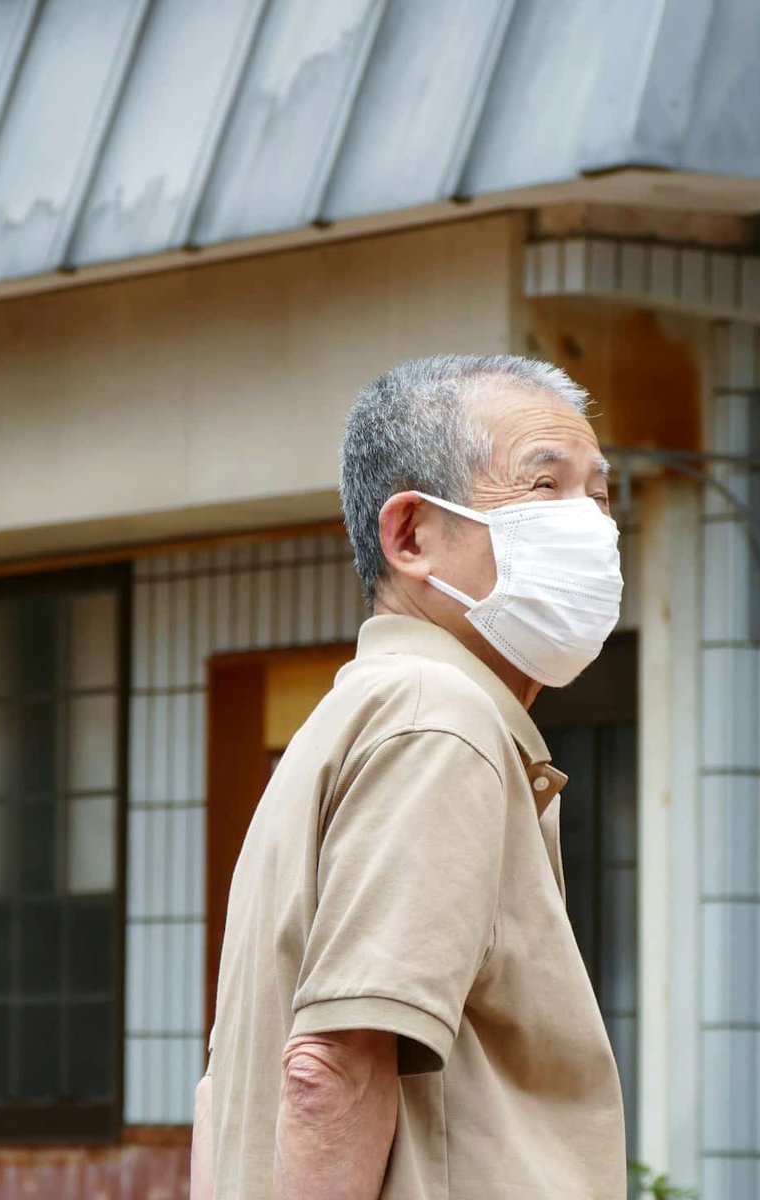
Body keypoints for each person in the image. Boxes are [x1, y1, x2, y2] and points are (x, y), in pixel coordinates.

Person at [191, 355, 628, 1200]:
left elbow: (223, 1097)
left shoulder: (358, 718)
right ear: (412, 537)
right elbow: (329, 1072)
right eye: (545, 488)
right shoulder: (439, 719)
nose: (592, 527)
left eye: (599, 494)